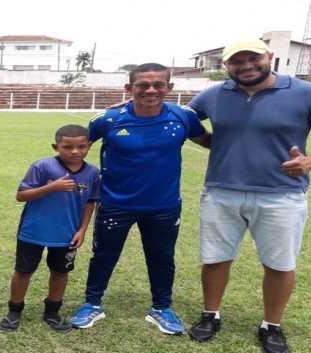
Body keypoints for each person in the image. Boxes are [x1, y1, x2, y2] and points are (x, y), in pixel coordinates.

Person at [185, 39, 311, 353]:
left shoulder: (308, 92)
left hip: (282, 195)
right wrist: (214, 145)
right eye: (237, 61)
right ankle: (210, 315)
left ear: (270, 57)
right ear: (226, 66)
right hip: (222, 191)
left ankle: (271, 326)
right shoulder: (214, 94)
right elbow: (182, 121)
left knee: (279, 263)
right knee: (215, 257)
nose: (246, 65)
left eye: (254, 58)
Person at [69, 63, 211, 335]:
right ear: (129, 88)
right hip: (115, 203)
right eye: (142, 85)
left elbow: (208, 141)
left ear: (169, 88)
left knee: (162, 257)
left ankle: (161, 308)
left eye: (158, 85)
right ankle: (92, 304)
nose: (150, 90)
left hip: (164, 206)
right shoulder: (108, 120)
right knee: (103, 256)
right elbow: (76, 148)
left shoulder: (182, 116)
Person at [0, 125, 99, 333]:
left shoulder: (92, 172)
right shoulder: (42, 167)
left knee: (60, 271)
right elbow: (21, 195)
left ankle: (52, 311)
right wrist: (51, 187)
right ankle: (15, 310)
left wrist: (82, 230)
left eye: (81, 146)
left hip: (67, 234)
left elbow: (90, 202)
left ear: (89, 146)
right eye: (67, 147)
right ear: (56, 146)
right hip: (33, 231)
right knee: (24, 271)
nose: (75, 151)